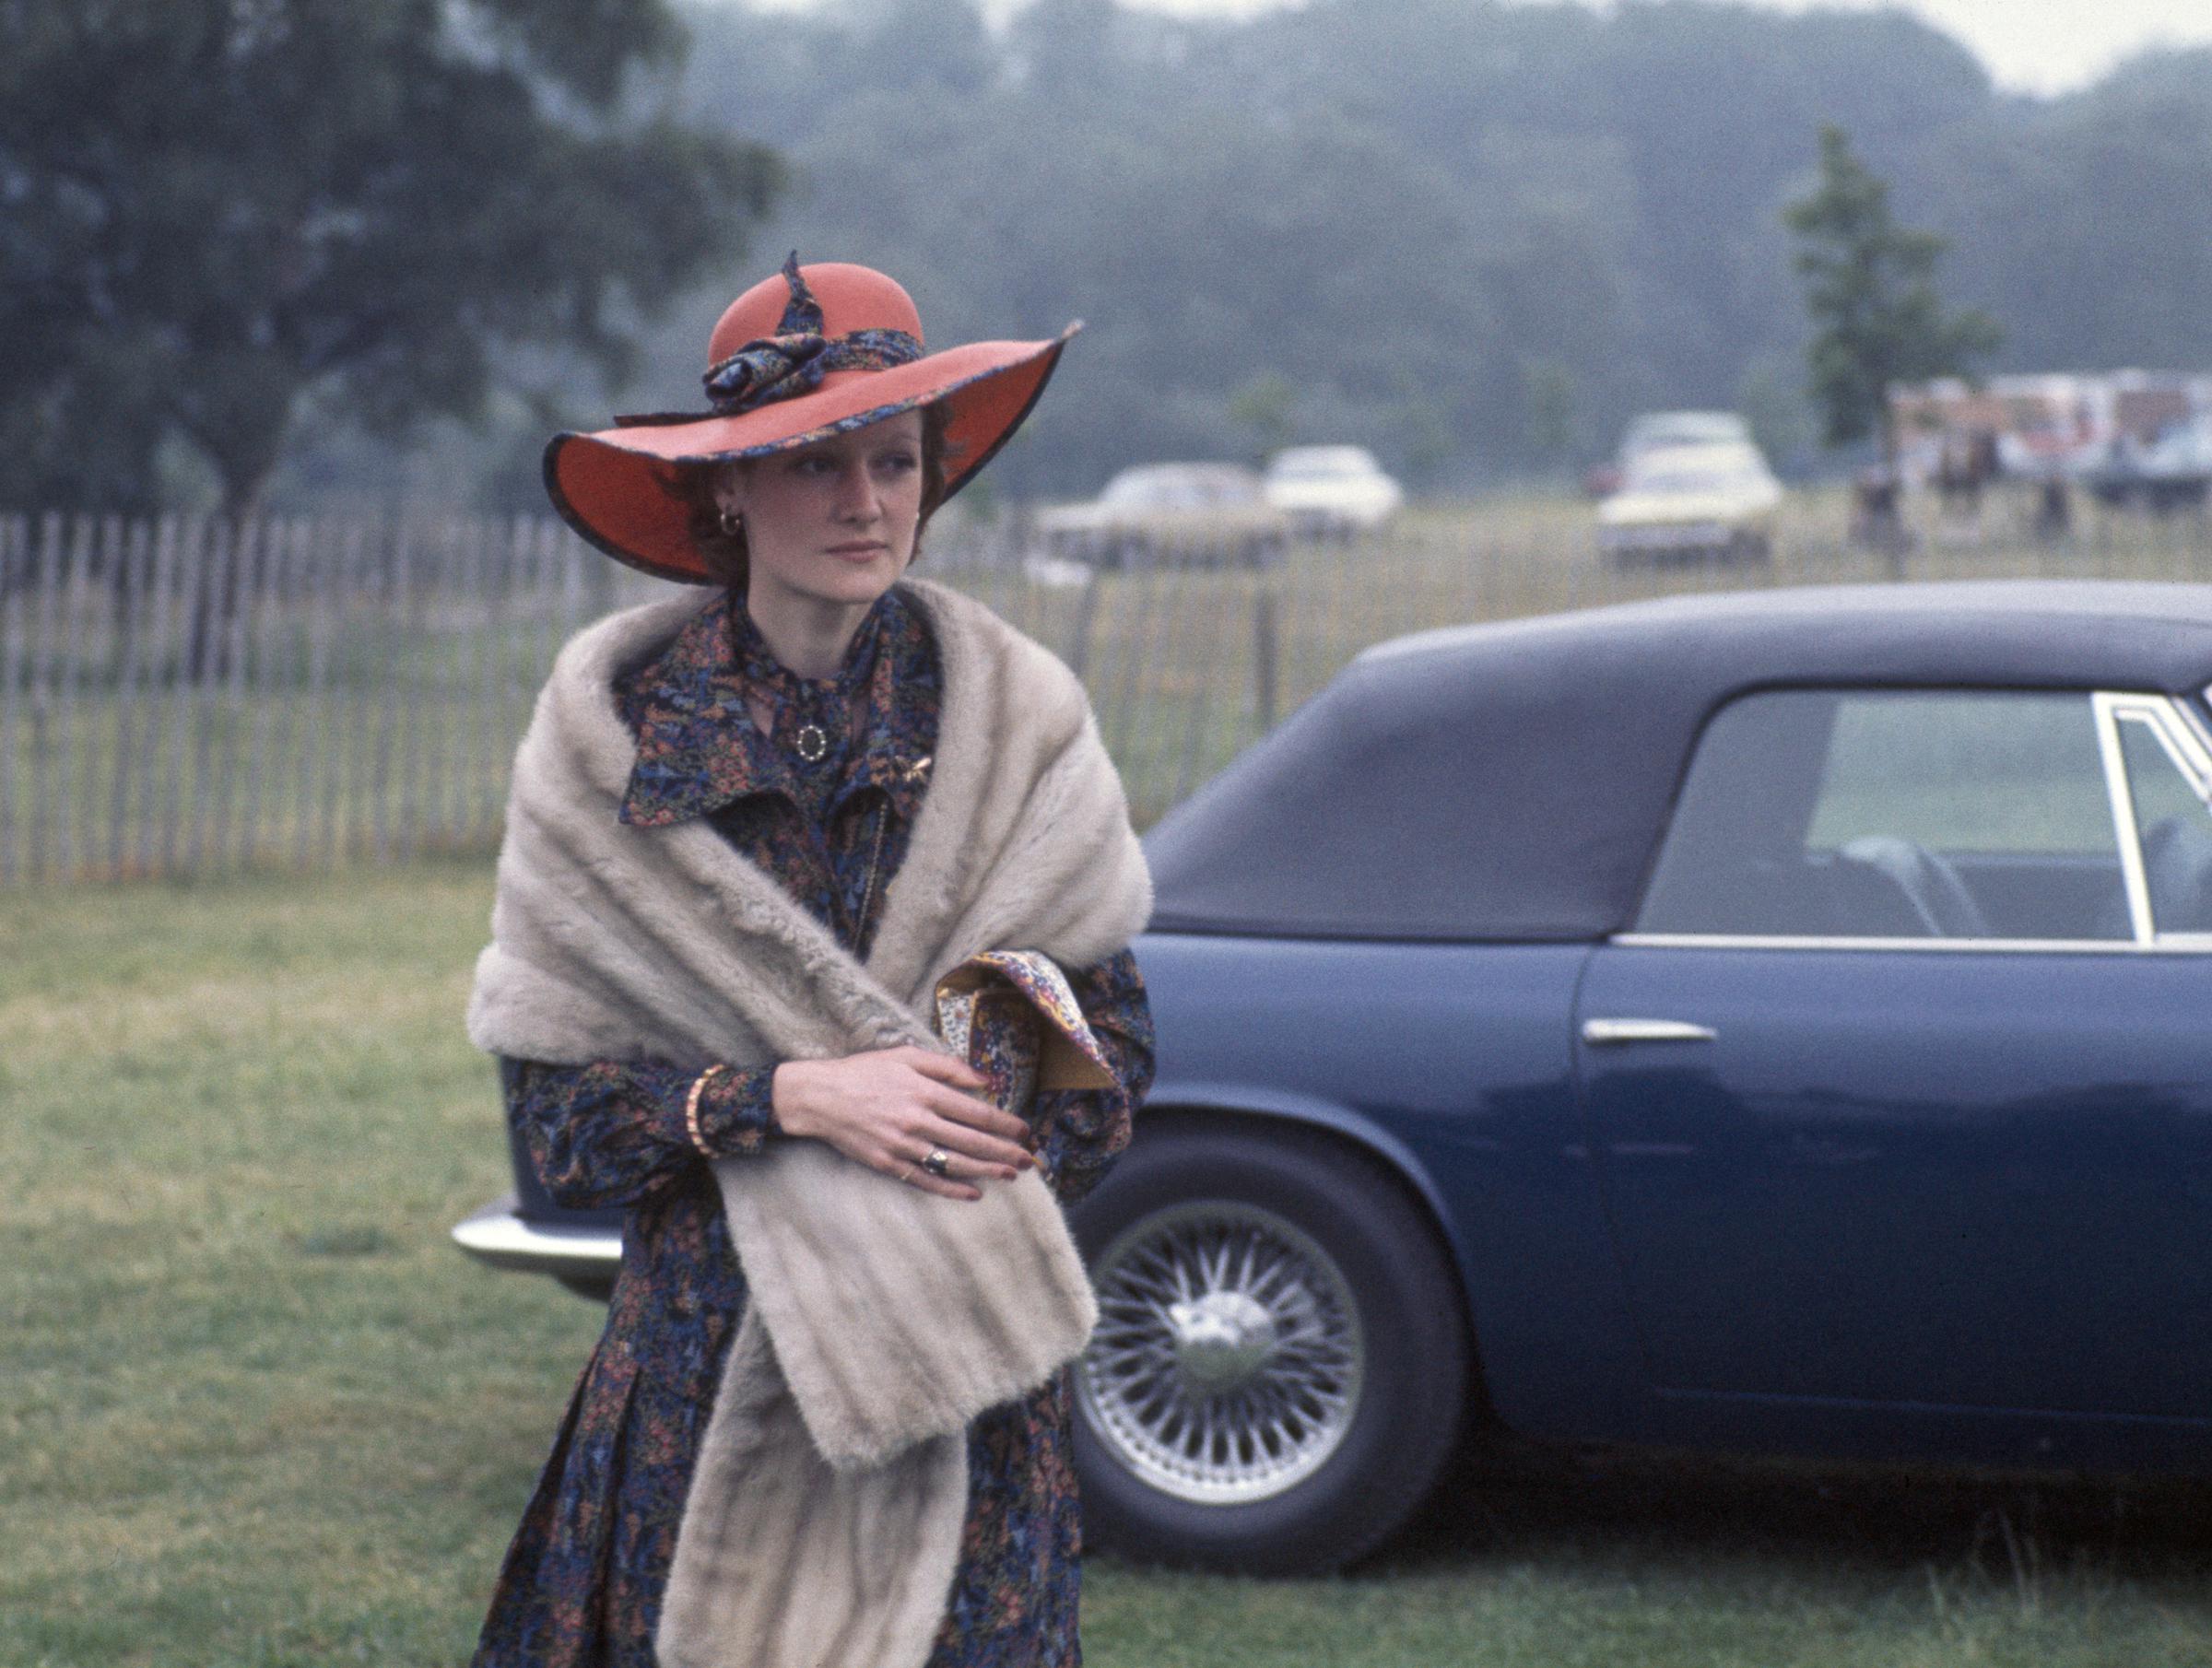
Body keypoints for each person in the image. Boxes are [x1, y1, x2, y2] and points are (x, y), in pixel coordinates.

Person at [465, 254, 1156, 1668]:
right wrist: (796, 1098)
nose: (864, 501)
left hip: (963, 1380)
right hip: (706, 1383)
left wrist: (960, 1102)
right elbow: (562, 1135)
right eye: (814, 462)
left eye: (894, 461)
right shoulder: (616, 747)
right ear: (726, 491)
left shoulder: (1012, 727)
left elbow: (1109, 1070)